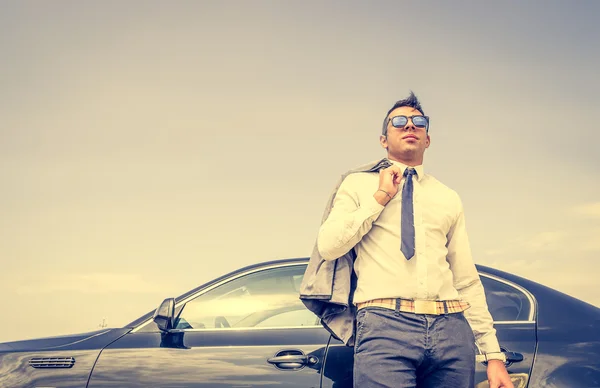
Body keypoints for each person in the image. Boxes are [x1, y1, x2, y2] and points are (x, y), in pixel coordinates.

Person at [301, 92, 513, 388]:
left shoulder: (447, 196)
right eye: (399, 122)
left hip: (451, 327)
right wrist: (380, 196)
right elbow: (330, 245)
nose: (410, 126)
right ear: (383, 139)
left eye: (419, 122)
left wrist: (493, 355)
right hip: (385, 324)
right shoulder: (358, 184)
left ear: (427, 139)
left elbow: (465, 279)